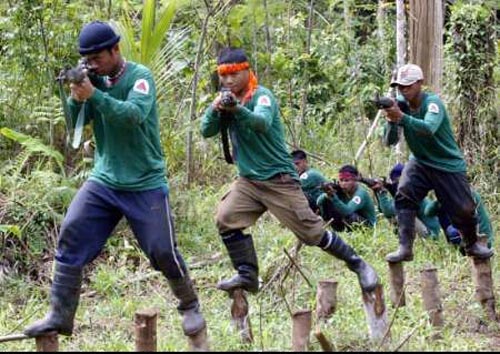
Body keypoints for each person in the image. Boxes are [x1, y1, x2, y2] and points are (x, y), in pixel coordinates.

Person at [24, 21, 206, 338]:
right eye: (87, 59)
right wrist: (75, 98)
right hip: (105, 180)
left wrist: (94, 94)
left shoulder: (140, 78)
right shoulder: (94, 80)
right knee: (71, 235)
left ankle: (189, 304)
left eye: (97, 58)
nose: (92, 64)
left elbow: (132, 116)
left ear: (115, 50)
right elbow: (75, 129)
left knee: (163, 251)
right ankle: (59, 314)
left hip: (145, 182)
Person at [200, 47, 379, 295]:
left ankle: (358, 264)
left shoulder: (263, 97)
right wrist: (215, 108)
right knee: (225, 217)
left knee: (312, 233)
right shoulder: (227, 100)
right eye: (223, 75)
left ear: (247, 71)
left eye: (234, 74)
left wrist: (237, 110)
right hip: (249, 182)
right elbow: (205, 130)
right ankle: (247, 274)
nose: (229, 80)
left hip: (278, 180)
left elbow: (261, 123)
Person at [381, 63, 493, 262]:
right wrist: (391, 120)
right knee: (404, 193)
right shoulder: (401, 106)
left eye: (408, 86)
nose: (404, 90)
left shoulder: (433, 103)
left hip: (446, 164)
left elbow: (428, 128)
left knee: (464, 209)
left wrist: (402, 117)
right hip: (421, 161)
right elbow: (389, 141)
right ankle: (405, 247)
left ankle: (472, 244)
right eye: (400, 87)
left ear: (420, 83)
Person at [369, 162, 441, 239]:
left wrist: (381, 191)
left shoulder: (410, 194)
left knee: (401, 216)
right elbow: (382, 210)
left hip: (431, 235)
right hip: (429, 231)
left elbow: (388, 211)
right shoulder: (414, 189)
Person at [424, 187, 494, 249]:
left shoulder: (462, 195)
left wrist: (440, 200)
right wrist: (439, 200)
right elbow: (428, 212)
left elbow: (428, 212)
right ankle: (457, 245)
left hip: (480, 241)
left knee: (452, 231)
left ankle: (459, 248)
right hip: (485, 239)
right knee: (443, 211)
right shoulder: (465, 191)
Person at [316, 165, 377, 232]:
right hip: (348, 222)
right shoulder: (340, 190)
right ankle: (335, 229)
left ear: (355, 180)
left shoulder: (361, 193)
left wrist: (333, 196)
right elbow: (319, 202)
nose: (343, 184)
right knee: (326, 202)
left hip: (367, 227)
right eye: (341, 180)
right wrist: (327, 195)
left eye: (347, 180)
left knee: (349, 216)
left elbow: (348, 211)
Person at [291, 149, 327, 213]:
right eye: (293, 165)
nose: (295, 167)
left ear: (305, 161)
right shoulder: (306, 173)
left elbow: (293, 188)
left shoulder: (308, 175)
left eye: (297, 164)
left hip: (323, 207)